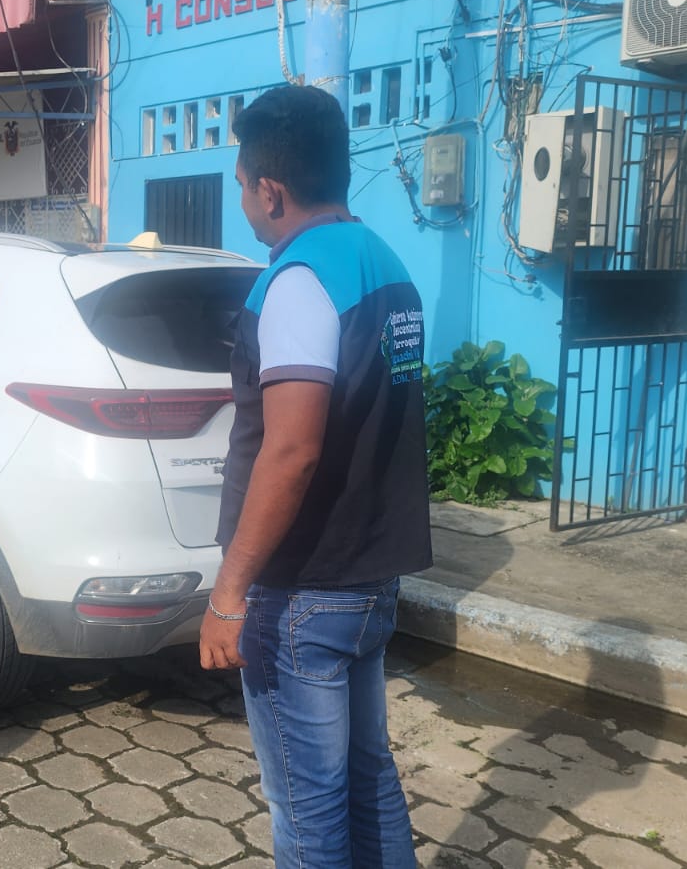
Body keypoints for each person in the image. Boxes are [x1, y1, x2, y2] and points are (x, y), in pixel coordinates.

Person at [200, 84, 430, 868]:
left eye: (241, 184)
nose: (242, 201)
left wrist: (228, 596)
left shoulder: (299, 280)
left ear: (271, 190)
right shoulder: (383, 262)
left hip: (302, 591)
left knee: (307, 812)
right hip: (369, 579)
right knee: (368, 779)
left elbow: (291, 449)